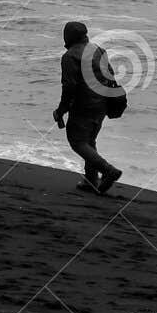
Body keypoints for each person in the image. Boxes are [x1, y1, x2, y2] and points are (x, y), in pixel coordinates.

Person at [53, 21, 123, 194]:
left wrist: (61, 110)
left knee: (77, 141)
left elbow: (69, 86)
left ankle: (108, 170)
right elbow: (111, 76)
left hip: (83, 105)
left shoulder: (69, 56)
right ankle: (91, 180)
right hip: (103, 104)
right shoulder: (99, 50)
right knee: (89, 140)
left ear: (68, 36)